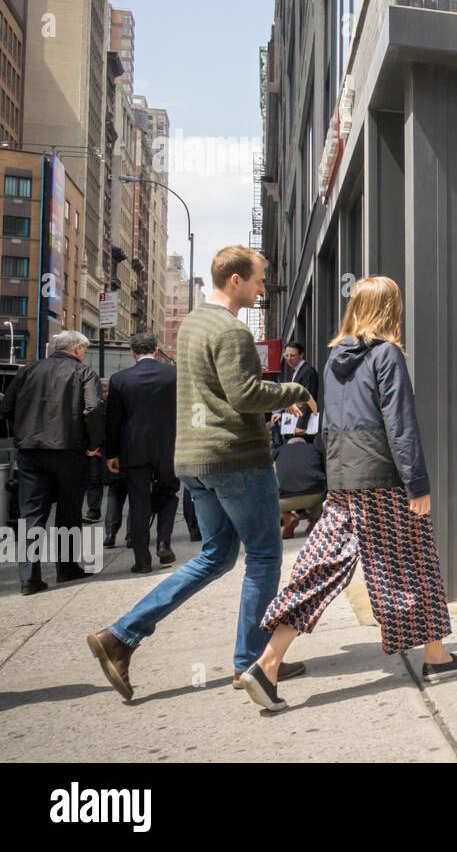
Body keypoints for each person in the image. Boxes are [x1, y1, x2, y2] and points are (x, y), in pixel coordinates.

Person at [87, 245, 317, 702]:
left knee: (214, 556)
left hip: (194, 461)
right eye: (258, 279)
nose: (261, 287)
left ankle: (120, 636)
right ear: (235, 280)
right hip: (235, 459)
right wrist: (294, 390)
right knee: (265, 557)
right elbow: (244, 393)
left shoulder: (192, 323)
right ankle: (252, 663)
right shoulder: (230, 331)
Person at [241, 275, 457, 712]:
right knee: (413, 564)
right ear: (391, 310)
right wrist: (417, 483)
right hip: (382, 480)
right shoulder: (387, 354)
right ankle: (437, 658)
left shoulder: (334, 359)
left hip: (345, 480)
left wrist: (331, 475)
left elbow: (330, 424)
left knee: (321, 567)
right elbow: (400, 424)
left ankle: (267, 663)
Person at [0, 330, 104, 594]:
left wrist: (23, 432)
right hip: (71, 451)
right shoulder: (84, 373)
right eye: (85, 349)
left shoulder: (28, 370)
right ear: (78, 349)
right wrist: (93, 444)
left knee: (31, 514)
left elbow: (6, 406)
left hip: (31, 451)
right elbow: (93, 409)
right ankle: (67, 569)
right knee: (69, 512)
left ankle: (28, 577)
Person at [105, 331, 180, 573]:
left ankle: (142, 560)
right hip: (170, 448)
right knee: (168, 493)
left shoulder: (119, 379)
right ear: (156, 350)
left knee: (138, 502)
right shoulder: (175, 374)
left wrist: (111, 454)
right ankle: (164, 541)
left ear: (132, 352)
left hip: (133, 449)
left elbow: (113, 420)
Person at [274, 434, 326, 538]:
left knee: (271, 496)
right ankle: (314, 522)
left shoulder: (279, 450)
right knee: (318, 483)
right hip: (313, 496)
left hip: (284, 500)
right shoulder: (313, 449)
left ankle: (287, 517)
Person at [274, 341, 320, 441]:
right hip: (294, 423)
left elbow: (308, 399)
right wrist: (282, 414)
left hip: (302, 427)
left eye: (292, 355)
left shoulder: (307, 372)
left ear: (301, 355)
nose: (289, 359)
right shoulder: (295, 371)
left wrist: (301, 425)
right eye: (286, 355)